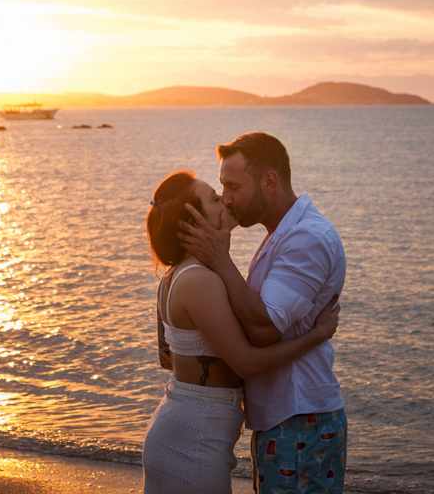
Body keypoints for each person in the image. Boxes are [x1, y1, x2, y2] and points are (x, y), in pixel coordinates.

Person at [143, 170, 341, 494]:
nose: (224, 200)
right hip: (195, 439)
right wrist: (316, 336)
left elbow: (167, 357)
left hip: (185, 429)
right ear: (194, 222)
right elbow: (245, 364)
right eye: (213, 198)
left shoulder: (174, 276)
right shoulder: (200, 281)